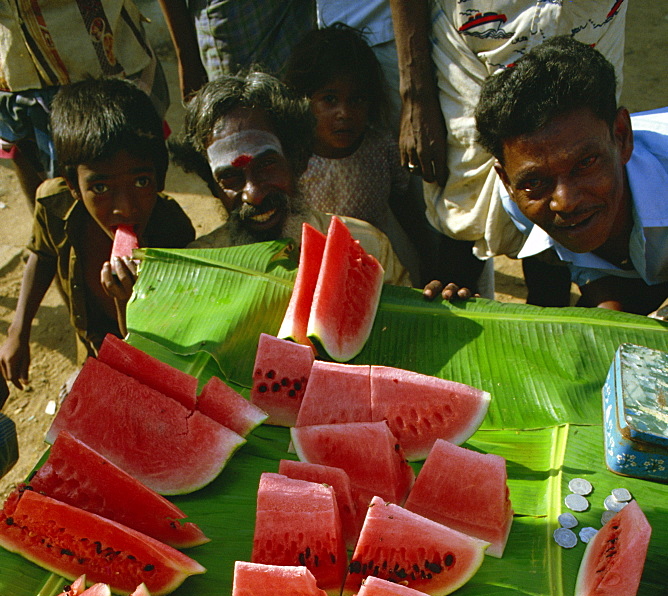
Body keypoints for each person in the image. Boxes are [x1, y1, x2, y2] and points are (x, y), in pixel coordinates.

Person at [388, 0, 628, 301]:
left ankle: (547, 305)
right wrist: (416, 95)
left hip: (588, 19)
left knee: (572, 169)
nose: (563, 202)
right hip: (472, 33)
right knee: (462, 194)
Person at [0, 78, 195, 390]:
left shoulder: (174, 231)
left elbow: (151, 351)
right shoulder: (53, 202)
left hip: (147, 368)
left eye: (141, 181)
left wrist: (125, 302)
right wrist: (18, 332)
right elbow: (43, 252)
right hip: (92, 353)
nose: (125, 208)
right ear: (73, 186)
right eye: (100, 188)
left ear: (160, 176)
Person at [475, 36, 668, 315]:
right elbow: (595, 272)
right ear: (506, 181)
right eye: (535, 182)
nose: (564, 202)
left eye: (585, 163)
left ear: (622, 137)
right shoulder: (518, 203)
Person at [170, 70, 410, 285]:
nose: (254, 195)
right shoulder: (197, 272)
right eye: (230, 177)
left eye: (266, 165)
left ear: (297, 160)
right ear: (214, 188)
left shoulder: (367, 248)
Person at [283, 22, 425, 281]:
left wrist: (425, 257)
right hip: (322, 266)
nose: (344, 113)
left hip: (383, 261)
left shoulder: (381, 147)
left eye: (356, 100)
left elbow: (405, 207)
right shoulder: (294, 158)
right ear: (304, 100)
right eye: (329, 100)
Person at [0, 0, 169, 208]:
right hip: (17, 65)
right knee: (43, 175)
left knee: (129, 157)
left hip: (102, 52)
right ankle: (56, 234)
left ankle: (143, 235)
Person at [157, 0, 316, 101]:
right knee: (243, 115)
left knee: (305, 103)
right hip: (239, 21)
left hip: (298, 11)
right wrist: (187, 57)